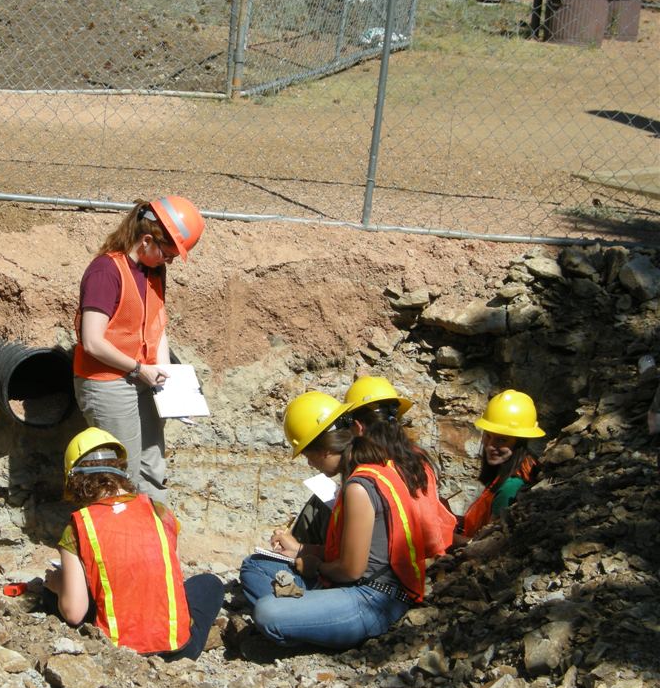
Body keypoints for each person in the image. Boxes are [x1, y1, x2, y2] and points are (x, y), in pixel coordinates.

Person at [239, 392, 427, 651]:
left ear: (325, 448)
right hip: (353, 585)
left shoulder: (359, 487)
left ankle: (312, 624)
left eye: (308, 453)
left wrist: (314, 566)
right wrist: (301, 550)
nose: (308, 461)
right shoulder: (375, 469)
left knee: (267, 612)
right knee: (254, 566)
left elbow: (351, 570)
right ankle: (314, 616)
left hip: (373, 598)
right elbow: (354, 551)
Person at [44, 427, 224, 661]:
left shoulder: (78, 527)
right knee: (209, 583)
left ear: (74, 481)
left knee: (52, 597)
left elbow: (74, 614)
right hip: (179, 650)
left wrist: (58, 586)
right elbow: (171, 577)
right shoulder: (159, 512)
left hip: (120, 654)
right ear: (122, 471)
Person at [72, 196, 205, 503]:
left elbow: (157, 327)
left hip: (142, 377)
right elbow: (92, 341)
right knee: (125, 472)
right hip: (108, 382)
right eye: (168, 254)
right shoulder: (105, 272)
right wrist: (138, 369)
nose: (169, 262)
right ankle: (120, 543)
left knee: (152, 465)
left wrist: (169, 383)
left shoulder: (152, 270)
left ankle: (155, 538)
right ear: (146, 240)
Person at [343, 376, 456, 558]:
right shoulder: (419, 458)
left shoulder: (375, 471)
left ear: (358, 427)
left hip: (404, 565)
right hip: (435, 554)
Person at [454, 389, 544, 545]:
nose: (490, 446)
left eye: (502, 440)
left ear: (519, 443)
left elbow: (487, 544)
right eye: (488, 436)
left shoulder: (510, 487)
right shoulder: (509, 473)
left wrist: (444, 535)